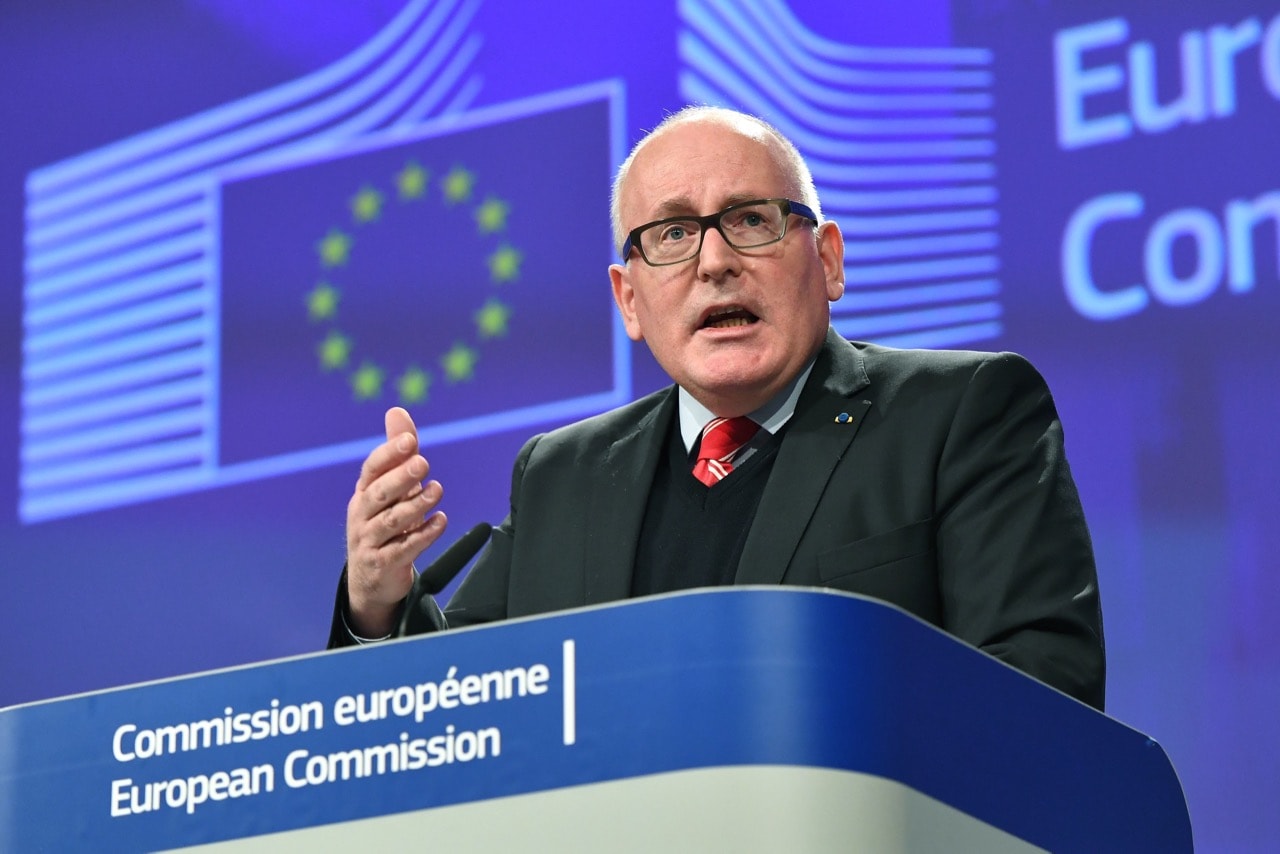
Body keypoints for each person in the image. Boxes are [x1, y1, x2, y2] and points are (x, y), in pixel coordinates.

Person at [330, 106, 1105, 710]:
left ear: (827, 259)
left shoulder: (960, 414)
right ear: (628, 300)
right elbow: (455, 716)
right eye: (671, 233)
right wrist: (377, 600)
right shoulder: (562, 476)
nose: (714, 261)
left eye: (751, 220)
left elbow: (1039, 688)